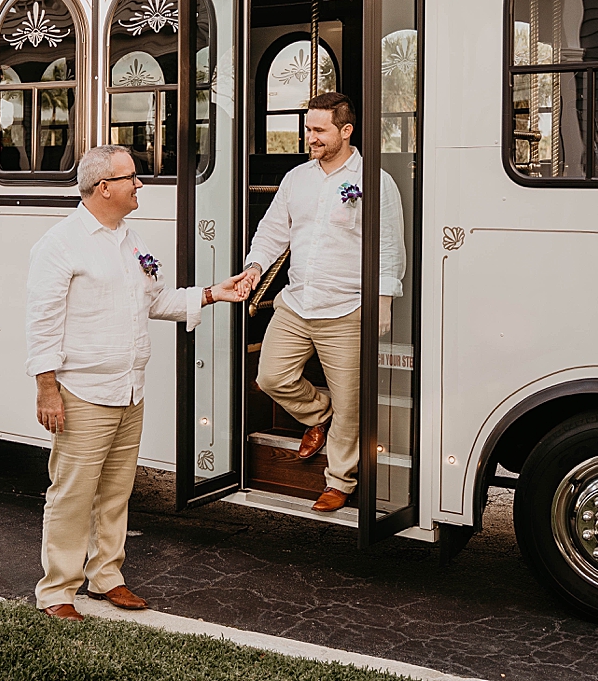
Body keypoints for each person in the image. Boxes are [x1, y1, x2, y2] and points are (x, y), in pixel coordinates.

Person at [26, 144, 245, 621]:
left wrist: (212, 294)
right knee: (72, 493)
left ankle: (107, 576)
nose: (139, 184)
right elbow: (42, 323)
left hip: (129, 389)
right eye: (131, 178)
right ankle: (58, 591)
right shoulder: (61, 244)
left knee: (116, 491)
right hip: (83, 392)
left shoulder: (129, 239)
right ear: (104, 188)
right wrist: (47, 389)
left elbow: (154, 299)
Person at [236, 92, 406, 512]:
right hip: (295, 303)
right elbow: (273, 230)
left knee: (351, 401)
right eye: (307, 128)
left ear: (345, 131)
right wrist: (254, 267)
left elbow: (389, 244)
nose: (309, 137)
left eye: (318, 130)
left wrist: (383, 301)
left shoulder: (375, 180)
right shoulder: (297, 178)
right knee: (271, 377)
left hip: (346, 308)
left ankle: (340, 481)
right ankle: (318, 415)